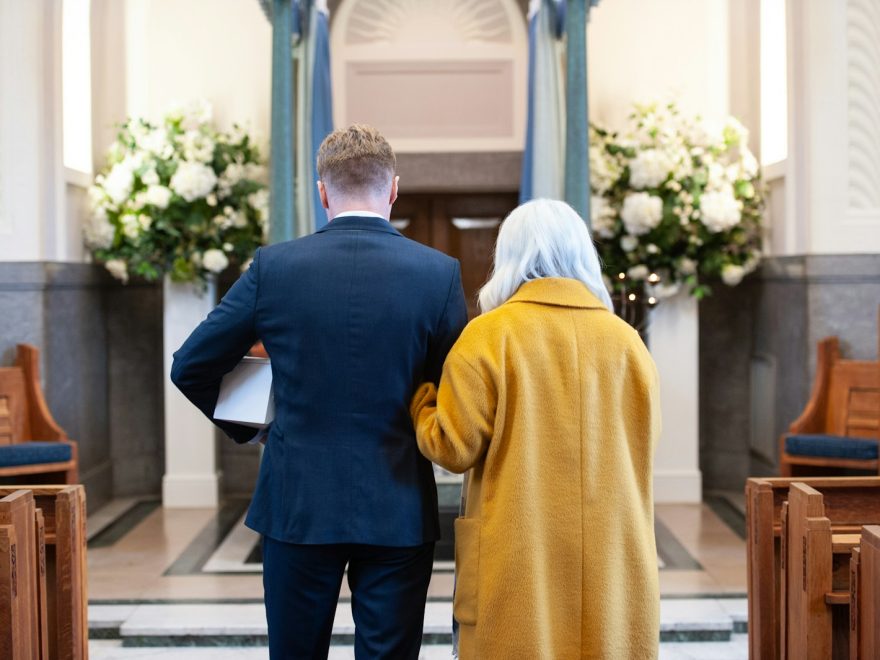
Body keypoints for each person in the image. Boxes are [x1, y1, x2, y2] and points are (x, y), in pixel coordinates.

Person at [171, 124, 468, 659]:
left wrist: (257, 425)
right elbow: (458, 388)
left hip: (296, 500)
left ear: (323, 191)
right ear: (394, 188)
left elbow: (191, 366)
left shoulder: (274, 268)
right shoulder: (437, 274)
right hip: (397, 504)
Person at [410, 198, 661, 659]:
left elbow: (452, 445)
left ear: (509, 256)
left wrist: (421, 400)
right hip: (612, 554)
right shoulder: (627, 342)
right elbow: (644, 440)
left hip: (519, 556)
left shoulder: (491, 335)